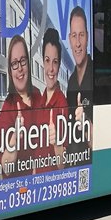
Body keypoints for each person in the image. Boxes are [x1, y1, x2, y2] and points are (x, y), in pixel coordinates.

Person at [0, 34, 45, 176]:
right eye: (14, 63)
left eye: (23, 61)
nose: (19, 68)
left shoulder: (37, 94)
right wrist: (15, 138)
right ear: (10, 71)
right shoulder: (8, 107)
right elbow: (6, 167)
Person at [65, 6, 93, 157]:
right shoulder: (70, 83)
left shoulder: (97, 76)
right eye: (74, 36)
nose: (77, 43)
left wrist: (86, 123)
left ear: (87, 37)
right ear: (69, 39)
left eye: (81, 35)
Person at [38, 27, 68, 170]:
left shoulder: (62, 103)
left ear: (59, 64)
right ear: (43, 62)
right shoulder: (39, 101)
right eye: (47, 60)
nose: (50, 68)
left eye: (55, 62)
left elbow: (62, 166)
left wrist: (56, 142)